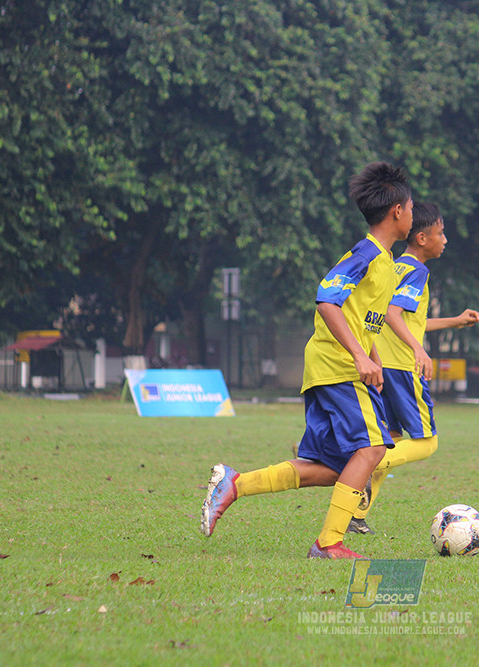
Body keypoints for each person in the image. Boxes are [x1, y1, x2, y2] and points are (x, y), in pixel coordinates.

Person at [200, 161, 413, 559]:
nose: (413, 216)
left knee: (334, 468)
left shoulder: (384, 262)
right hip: (338, 367)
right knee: (372, 450)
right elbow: (327, 299)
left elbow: (362, 318)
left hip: (333, 366)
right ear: (398, 211)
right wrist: (357, 357)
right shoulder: (366, 253)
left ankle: (235, 484)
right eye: (412, 209)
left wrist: (374, 357)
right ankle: (329, 543)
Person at [347, 202, 479, 535]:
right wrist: (418, 349)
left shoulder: (394, 267)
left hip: (386, 366)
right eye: (440, 233)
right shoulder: (417, 271)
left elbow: (407, 319)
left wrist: (454, 321)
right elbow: (394, 314)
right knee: (427, 443)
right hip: (402, 370)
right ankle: (359, 466)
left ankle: (355, 514)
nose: (445, 240)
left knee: (393, 438)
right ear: (422, 238)